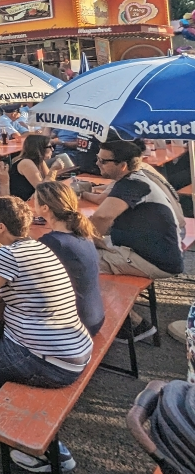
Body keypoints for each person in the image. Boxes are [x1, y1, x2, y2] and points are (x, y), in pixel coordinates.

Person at [0, 196, 91, 472]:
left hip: (44, 359)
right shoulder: (35, 248)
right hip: (71, 348)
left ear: (0, 226)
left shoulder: (9, 255)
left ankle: (33, 442)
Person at [84, 140, 185, 341]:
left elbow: (102, 217)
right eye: (97, 159)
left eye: (103, 161)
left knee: (76, 262)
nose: (97, 164)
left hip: (153, 259)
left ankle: (132, 324)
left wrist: (86, 241)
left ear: (123, 165)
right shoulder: (136, 178)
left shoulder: (133, 183)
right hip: (143, 249)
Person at [35, 182, 104, 336]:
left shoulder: (53, 242)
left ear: (45, 208)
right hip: (95, 316)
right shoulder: (82, 232)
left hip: (75, 327)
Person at [8, 134, 63, 201]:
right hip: (24, 203)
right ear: (40, 148)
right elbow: (43, 190)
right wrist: (53, 169)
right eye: (50, 147)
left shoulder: (40, 161)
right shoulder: (26, 162)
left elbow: (50, 185)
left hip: (35, 201)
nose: (53, 149)